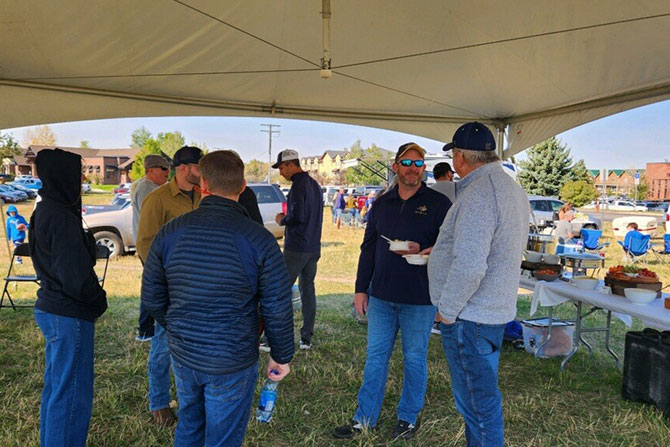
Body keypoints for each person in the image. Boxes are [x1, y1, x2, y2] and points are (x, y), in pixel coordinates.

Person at [142, 150, 294, 447]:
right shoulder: (260, 239)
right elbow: (277, 305)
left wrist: (177, 327)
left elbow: (152, 296)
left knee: (190, 423)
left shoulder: (171, 232)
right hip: (232, 356)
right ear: (243, 187)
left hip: (186, 352)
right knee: (221, 436)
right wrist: (281, 355)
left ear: (203, 185)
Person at [333, 142, 451, 441]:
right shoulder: (382, 203)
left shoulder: (438, 203)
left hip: (420, 297)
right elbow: (369, 247)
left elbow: (451, 246)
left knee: (414, 358)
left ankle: (407, 419)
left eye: (418, 163)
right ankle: (363, 419)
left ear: (424, 169)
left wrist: (428, 250)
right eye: (407, 163)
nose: (413, 169)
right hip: (382, 295)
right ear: (395, 166)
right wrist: (361, 289)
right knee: (375, 357)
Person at [428, 122, 529, 447]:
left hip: (470, 317)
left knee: (478, 407)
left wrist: (447, 310)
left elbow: (471, 266)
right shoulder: (509, 187)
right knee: (480, 403)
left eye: (454, 155)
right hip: (490, 314)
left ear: (460, 157)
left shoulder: (479, 193)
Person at [30, 148, 107, 447]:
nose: (82, 179)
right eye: (78, 173)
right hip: (68, 313)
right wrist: (98, 299)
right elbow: (74, 276)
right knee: (71, 395)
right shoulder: (60, 216)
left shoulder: (47, 209)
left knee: (58, 391)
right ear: (63, 176)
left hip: (54, 308)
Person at [136, 145, 203, 426]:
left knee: (194, 345)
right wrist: (162, 281)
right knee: (163, 344)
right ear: (184, 168)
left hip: (199, 284)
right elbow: (145, 244)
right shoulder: (158, 199)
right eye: (200, 167)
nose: (203, 172)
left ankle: (192, 399)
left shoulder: (204, 197)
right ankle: (159, 402)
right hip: (170, 285)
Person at [272, 149, 323, 350]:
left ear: (291, 165)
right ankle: (306, 338)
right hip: (313, 246)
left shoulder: (298, 186)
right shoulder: (314, 185)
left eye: (282, 167)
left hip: (296, 247)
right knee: (307, 290)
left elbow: (297, 216)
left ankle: (272, 338)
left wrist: (282, 219)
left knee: (281, 290)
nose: (281, 172)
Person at [131, 154, 170, 342]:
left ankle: (146, 328)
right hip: (150, 247)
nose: (167, 172)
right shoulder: (148, 189)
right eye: (163, 168)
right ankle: (145, 329)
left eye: (168, 168)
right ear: (151, 170)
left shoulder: (149, 187)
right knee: (152, 288)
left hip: (152, 247)